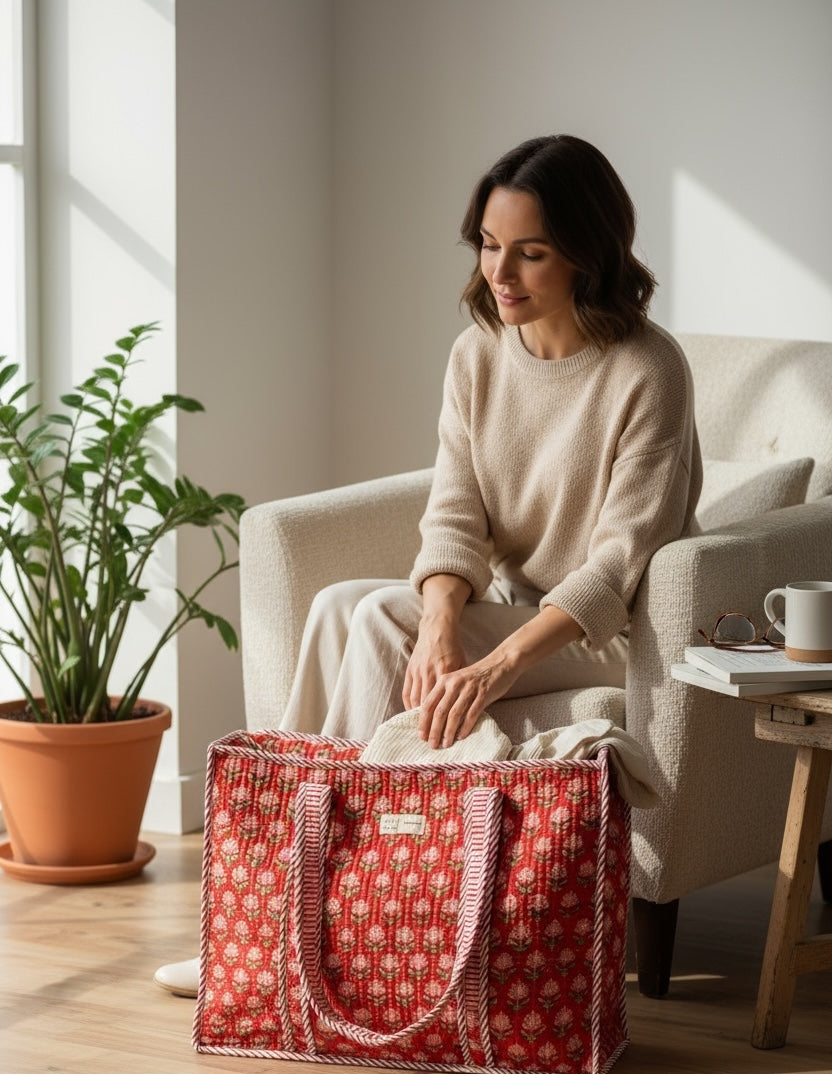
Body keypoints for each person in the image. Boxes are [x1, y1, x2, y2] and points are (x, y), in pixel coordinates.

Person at [154, 133, 701, 997]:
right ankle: (278, 908)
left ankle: (309, 915)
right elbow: (454, 513)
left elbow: (618, 565)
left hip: (603, 631)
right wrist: (443, 620)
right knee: (344, 605)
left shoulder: (647, 370)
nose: (501, 273)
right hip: (510, 608)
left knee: (370, 617)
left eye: (531, 252)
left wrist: (490, 666)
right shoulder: (479, 354)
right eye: (488, 244)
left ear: (588, 254)